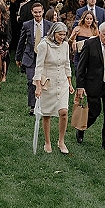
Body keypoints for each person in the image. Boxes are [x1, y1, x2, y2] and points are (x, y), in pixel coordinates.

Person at [75, 21, 105, 150]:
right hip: (93, 84)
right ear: (99, 33)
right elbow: (81, 67)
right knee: (94, 112)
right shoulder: (90, 44)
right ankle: (81, 128)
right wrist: (80, 85)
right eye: (104, 34)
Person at [34, 22, 74, 154]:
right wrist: (38, 86)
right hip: (48, 83)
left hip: (62, 82)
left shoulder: (65, 45)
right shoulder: (44, 45)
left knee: (64, 112)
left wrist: (69, 82)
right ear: (53, 33)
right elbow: (39, 67)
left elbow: (67, 64)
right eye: (60, 34)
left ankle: (61, 141)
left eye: (64, 35)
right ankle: (47, 142)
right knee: (47, 114)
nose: (62, 37)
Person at [16, 2, 53, 114]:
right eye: (35, 12)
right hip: (30, 56)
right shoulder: (27, 25)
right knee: (31, 81)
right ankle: (33, 106)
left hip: (44, 58)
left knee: (43, 82)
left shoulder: (49, 25)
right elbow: (21, 41)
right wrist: (18, 57)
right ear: (32, 12)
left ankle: (42, 103)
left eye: (39, 12)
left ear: (43, 12)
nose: (37, 14)